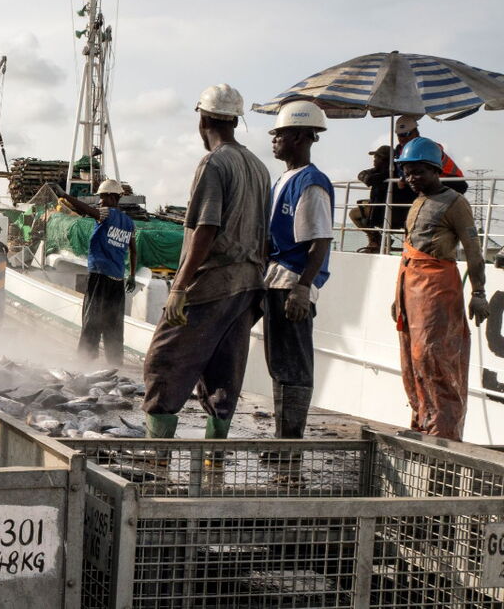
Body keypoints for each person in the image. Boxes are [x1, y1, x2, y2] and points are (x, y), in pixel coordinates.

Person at [142, 84, 270, 441]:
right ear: (234, 119)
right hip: (247, 286)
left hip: (211, 284)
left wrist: (179, 288)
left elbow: (205, 228)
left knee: (163, 363)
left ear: (203, 119)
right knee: (224, 372)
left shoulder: (214, 163)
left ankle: (157, 461)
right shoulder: (258, 167)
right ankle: (214, 462)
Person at [392, 137, 488, 441]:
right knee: (411, 356)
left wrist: (478, 293)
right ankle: (422, 419)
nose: (411, 178)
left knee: (433, 356)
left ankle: (442, 431)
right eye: (407, 172)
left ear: (436, 170)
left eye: (418, 171)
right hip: (411, 288)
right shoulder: (417, 202)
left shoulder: (455, 203)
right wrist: (398, 299)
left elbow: (473, 250)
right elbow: (409, 251)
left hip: (437, 289)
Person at [263, 101, 334, 440]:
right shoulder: (283, 180)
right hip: (274, 282)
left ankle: (290, 443)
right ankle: (283, 439)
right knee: (280, 364)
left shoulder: (311, 183)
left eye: (280, 133)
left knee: (294, 366)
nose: (273, 139)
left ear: (301, 136)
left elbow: (320, 241)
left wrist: (302, 288)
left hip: (291, 284)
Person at [59, 179, 137, 367]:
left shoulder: (106, 213)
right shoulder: (129, 222)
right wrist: (132, 275)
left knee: (92, 319)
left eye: (102, 197)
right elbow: (133, 250)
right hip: (118, 278)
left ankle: (84, 362)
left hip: (100, 275)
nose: (99, 202)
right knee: (114, 325)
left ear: (111, 197)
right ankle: (115, 365)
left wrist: (64, 194)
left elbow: (87, 210)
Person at [349, 145, 391, 253]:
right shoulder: (390, 171)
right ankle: (377, 239)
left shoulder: (385, 173)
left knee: (353, 214)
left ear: (383, 159)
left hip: (381, 210)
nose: (374, 160)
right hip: (387, 209)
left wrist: (368, 177)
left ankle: (374, 238)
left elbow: (369, 179)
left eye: (376, 157)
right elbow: (362, 174)